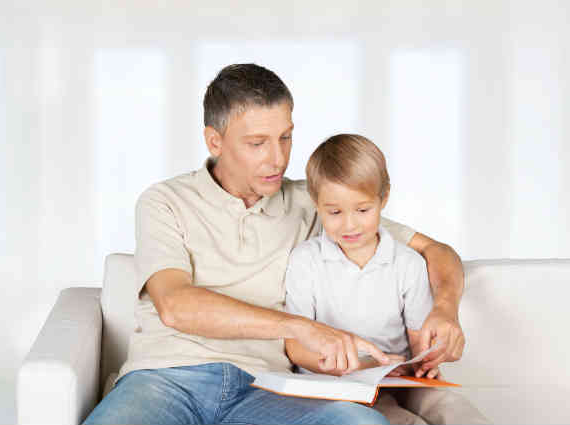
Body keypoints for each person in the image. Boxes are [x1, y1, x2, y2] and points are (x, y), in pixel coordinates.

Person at [84, 63, 466, 425]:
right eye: (257, 143)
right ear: (214, 141)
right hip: (165, 379)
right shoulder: (165, 201)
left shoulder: (314, 204)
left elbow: (435, 251)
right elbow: (175, 305)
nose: (279, 158)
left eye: (285, 137)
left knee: (359, 421)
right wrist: (302, 328)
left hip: (267, 389)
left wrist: (445, 311)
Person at [284, 134, 490, 424]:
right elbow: (296, 347)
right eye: (334, 212)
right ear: (316, 204)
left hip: (394, 381)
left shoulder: (407, 263)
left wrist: (424, 364)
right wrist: (355, 366)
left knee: (453, 409)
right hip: (331, 388)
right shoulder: (306, 261)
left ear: (384, 198)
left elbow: (419, 342)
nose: (350, 224)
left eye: (363, 210)